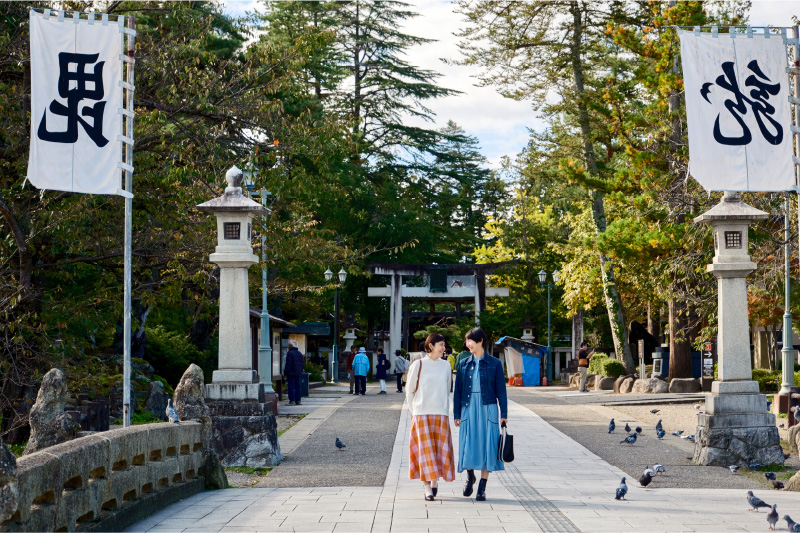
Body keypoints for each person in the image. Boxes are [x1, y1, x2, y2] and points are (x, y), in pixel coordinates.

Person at [453, 327, 507, 502]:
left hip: (488, 408)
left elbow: (501, 391)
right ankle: (470, 476)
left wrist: (504, 413)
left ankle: (482, 486)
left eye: (471, 340)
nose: (468, 344)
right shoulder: (463, 364)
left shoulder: (495, 364)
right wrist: (456, 413)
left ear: (480, 341)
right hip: (469, 407)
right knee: (467, 445)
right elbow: (458, 391)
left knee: (488, 447)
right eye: (467, 341)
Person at [406, 333, 455, 501]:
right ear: (431, 346)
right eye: (441, 344)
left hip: (441, 413)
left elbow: (448, 388)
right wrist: (415, 412)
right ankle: (427, 486)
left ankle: (435, 481)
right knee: (425, 452)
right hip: (422, 414)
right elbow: (410, 391)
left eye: (444, 344)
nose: (444, 348)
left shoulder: (446, 366)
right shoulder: (418, 364)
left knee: (438, 451)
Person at [283, 340, 305, 406]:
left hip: (291, 373)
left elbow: (288, 364)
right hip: (298, 373)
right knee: (297, 386)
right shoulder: (299, 353)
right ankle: (298, 400)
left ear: (291, 346)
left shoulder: (290, 353)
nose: (288, 346)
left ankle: (292, 400)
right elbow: (302, 364)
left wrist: (285, 372)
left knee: (291, 387)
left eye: (289, 345)